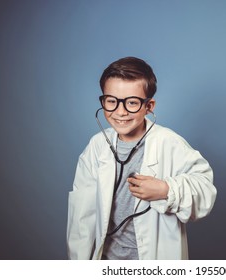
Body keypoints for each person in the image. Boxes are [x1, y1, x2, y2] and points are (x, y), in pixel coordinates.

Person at [66, 56, 217, 260]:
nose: (120, 112)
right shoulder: (97, 146)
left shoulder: (169, 143)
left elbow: (205, 192)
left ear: (149, 106)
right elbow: (81, 219)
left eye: (132, 103)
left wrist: (166, 190)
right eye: (111, 101)